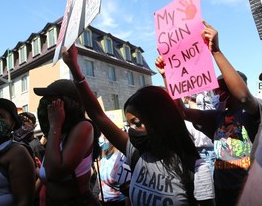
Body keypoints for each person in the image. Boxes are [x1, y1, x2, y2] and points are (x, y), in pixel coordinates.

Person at [61, 44, 215, 205]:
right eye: (129, 124)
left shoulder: (195, 168)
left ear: (158, 121)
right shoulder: (135, 152)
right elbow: (98, 115)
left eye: (136, 123)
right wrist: (75, 68)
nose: (131, 131)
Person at [155, 21, 260, 206]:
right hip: (222, 197)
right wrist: (167, 76)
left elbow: (243, 97)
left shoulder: (255, 113)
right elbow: (182, 112)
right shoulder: (216, 117)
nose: (216, 95)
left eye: (220, 90)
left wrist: (215, 51)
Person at [34, 79, 102, 206]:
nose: (47, 106)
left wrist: (55, 125)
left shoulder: (84, 127)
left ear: (68, 103)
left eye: (52, 100)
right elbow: (47, 176)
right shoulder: (60, 133)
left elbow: (55, 172)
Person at [96, 135, 127, 206]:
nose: (102, 138)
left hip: (119, 202)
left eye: (105, 136)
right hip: (103, 201)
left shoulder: (122, 157)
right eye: (100, 135)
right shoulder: (104, 157)